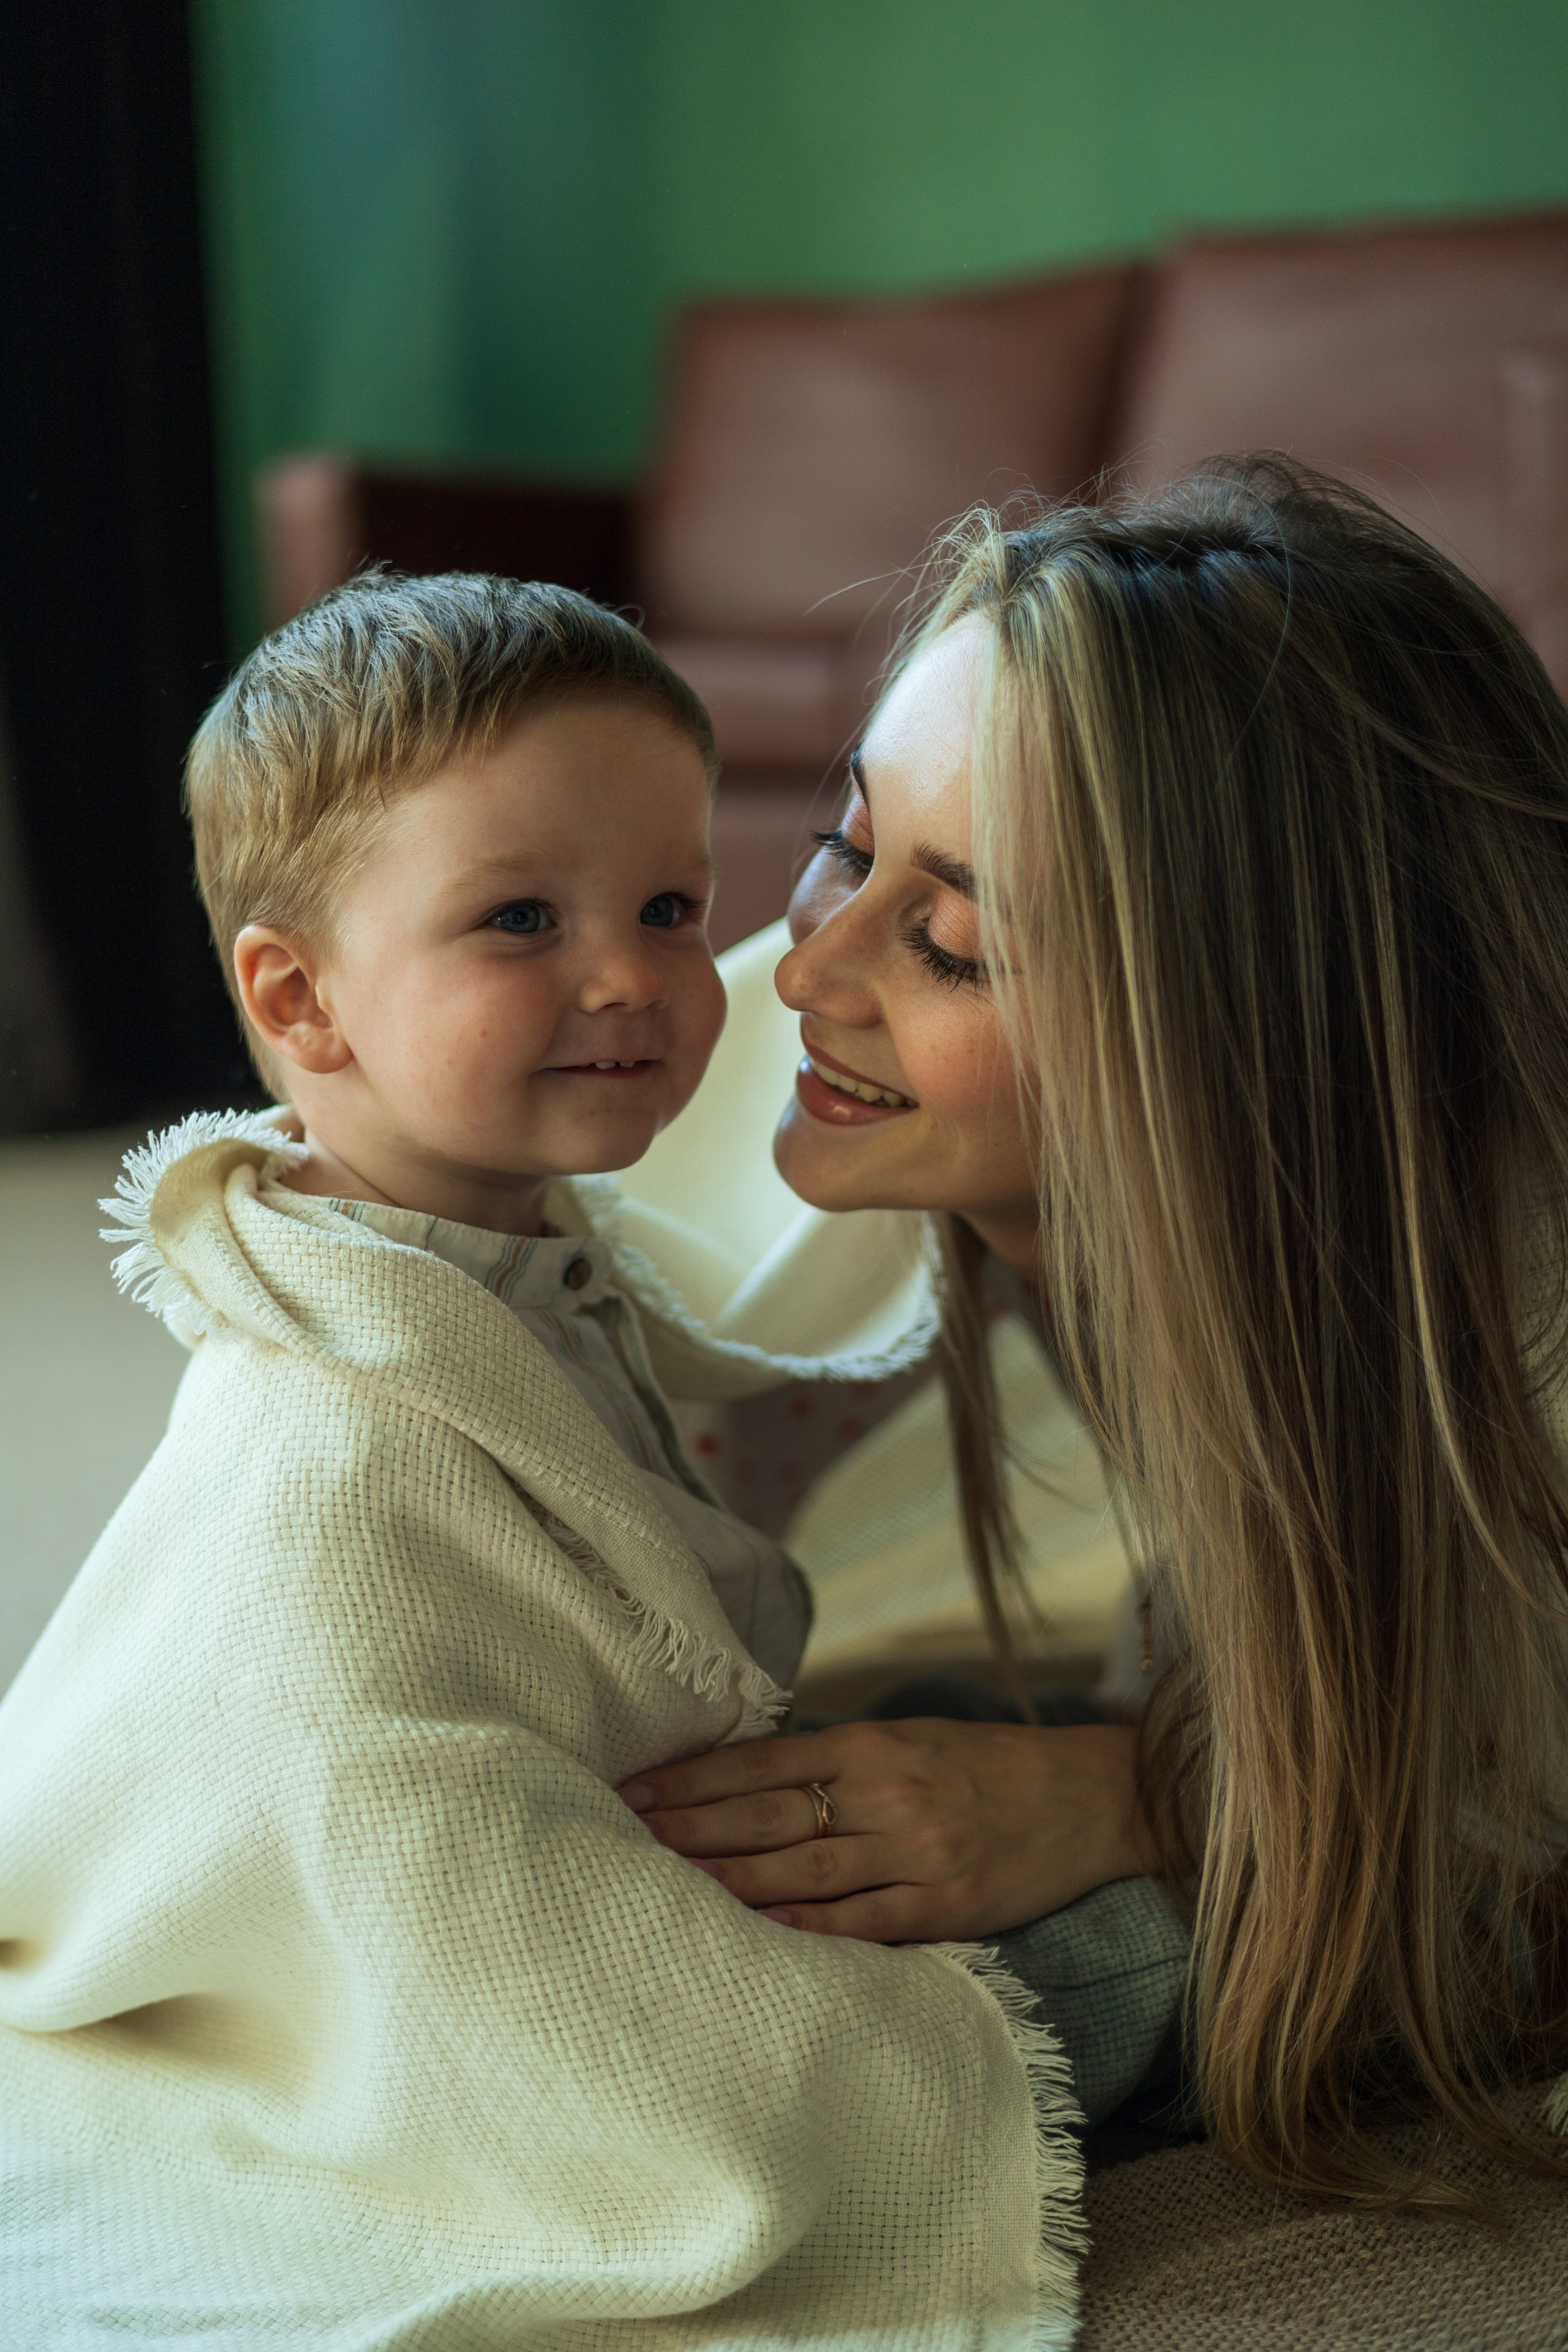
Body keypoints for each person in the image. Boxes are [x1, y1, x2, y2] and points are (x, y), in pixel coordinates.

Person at [0, 574, 1084, 2345]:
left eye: (671, 905)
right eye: (519, 919)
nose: (631, 979)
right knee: (1187, 1968)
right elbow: (391, 1810)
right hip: (507, 1961)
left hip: (635, 1822)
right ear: (304, 998)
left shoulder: (532, 1252)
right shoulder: (336, 1448)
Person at [617, 458, 1568, 2208]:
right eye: (842, 844)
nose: (813, 970)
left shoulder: (1514, 1342)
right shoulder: (768, 1028)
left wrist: (1151, 1799)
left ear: (1244, 1054)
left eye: (956, 946)